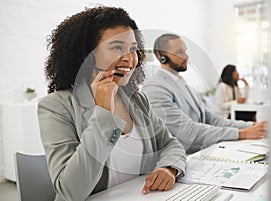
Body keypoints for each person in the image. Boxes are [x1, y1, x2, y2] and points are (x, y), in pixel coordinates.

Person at [38, 7, 186, 201]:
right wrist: (104, 112)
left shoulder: (136, 100)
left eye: (133, 49)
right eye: (117, 47)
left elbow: (170, 143)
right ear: (87, 56)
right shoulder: (56, 106)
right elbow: (70, 192)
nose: (129, 58)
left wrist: (169, 167)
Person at [142, 33, 267, 154]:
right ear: (161, 57)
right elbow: (187, 131)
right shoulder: (155, 88)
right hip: (177, 162)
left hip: (201, 153)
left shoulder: (186, 86)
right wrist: (242, 134)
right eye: (179, 52)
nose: (186, 56)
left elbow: (211, 119)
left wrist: (254, 126)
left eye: (185, 51)